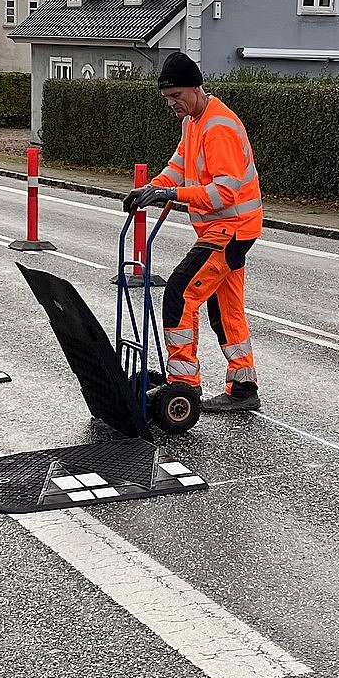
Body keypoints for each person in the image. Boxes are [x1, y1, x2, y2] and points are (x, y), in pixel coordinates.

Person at [121, 53, 263, 413]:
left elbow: (224, 192)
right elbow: (179, 166)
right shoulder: (193, 122)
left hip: (230, 229)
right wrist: (152, 188)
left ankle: (184, 385)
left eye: (177, 96)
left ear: (196, 88)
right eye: (167, 99)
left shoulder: (219, 127)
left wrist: (172, 194)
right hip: (222, 229)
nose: (172, 104)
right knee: (226, 307)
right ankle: (243, 387)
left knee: (180, 294)